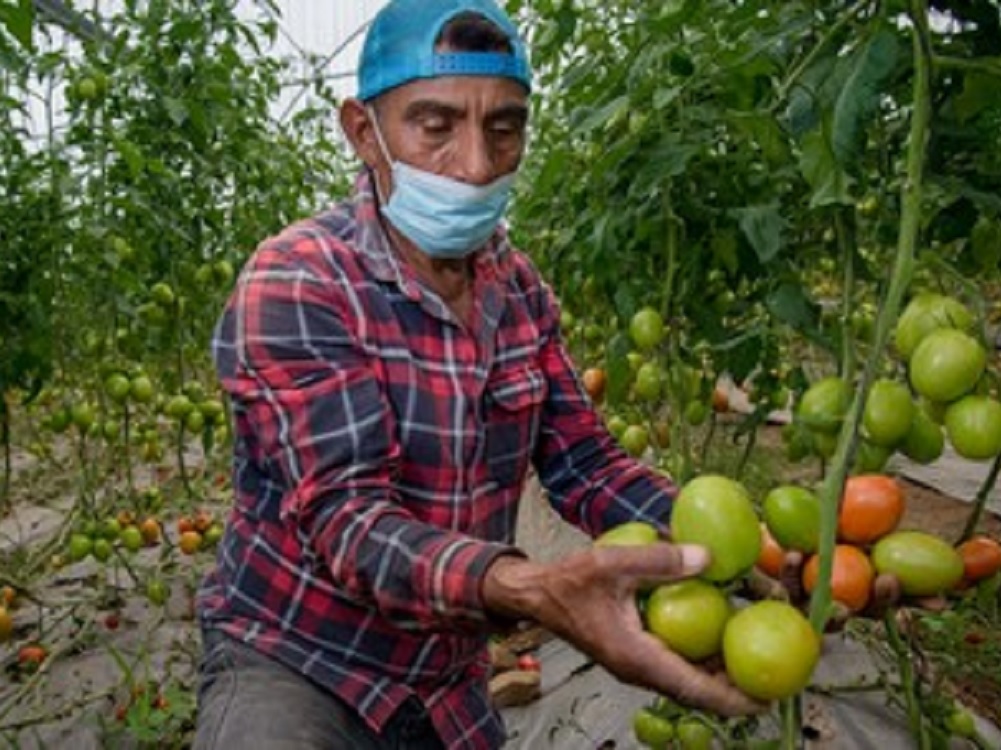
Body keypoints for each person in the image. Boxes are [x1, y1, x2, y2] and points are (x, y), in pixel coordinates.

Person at [192, 1, 765, 748]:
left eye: (504, 128)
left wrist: (726, 547)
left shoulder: (518, 290)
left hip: (445, 672)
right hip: (301, 656)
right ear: (365, 133)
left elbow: (584, 464)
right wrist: (526, 586)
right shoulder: (300, 281)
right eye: (435, 127)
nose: (475, 163)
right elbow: (347, 518)